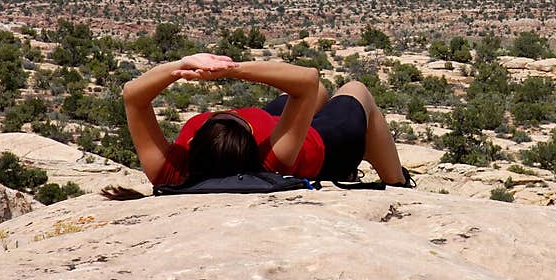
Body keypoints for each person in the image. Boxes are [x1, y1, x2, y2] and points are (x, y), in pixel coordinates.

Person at [122, 52, 412, 188]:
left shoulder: (171, 170)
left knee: (320, 94)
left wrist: (183, 65)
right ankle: (398, 181)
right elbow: (308, 79)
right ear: (256, 145)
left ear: (192, 145)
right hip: (324, 148)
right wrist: (231, 69)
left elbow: (132, 96)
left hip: (277, 129)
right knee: (355, 90)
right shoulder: (274, 158)